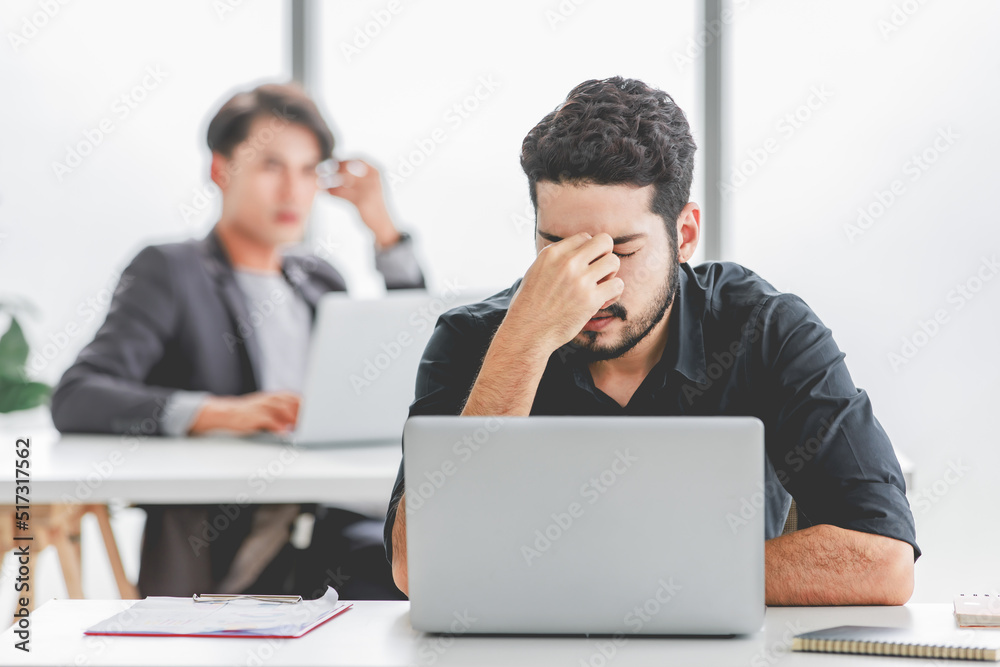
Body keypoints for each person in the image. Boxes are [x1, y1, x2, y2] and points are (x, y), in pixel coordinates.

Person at [384, 77, 920, 606]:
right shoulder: (475, 338)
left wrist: (625, 577)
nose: (591, 284)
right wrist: (522, 343)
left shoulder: (768, 330)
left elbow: (881, 559)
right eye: (558, 248)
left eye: (621, 248)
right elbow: (419, 568)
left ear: (684, 236)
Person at [51, 82, 421, 599]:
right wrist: (222, 412)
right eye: (271, 165)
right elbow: (77, 396)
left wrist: (383, 231)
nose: (293, 192)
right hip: (236, 535)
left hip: (332, 510)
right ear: (220, 170)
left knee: (425, 566)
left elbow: (415, 349)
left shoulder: (319, 279)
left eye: (307, 171)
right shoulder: (171, 270)